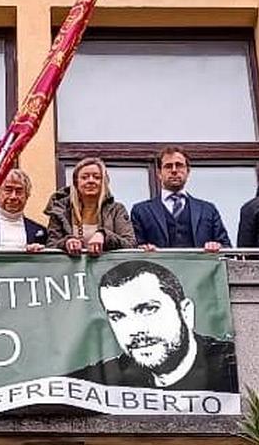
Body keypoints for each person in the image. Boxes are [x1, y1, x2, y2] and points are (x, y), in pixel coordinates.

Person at [71, 260, 238, 392]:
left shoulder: (229, 364)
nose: (135, 330)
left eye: (148, 309)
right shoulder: (114, 373)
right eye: (118, 316)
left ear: (185, 312)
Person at [131, 146, 231, 253]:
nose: (174, 170)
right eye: (168, 166)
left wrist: (216, 246)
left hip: (200, 269)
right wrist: (145, 250)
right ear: (159, 173)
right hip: (159, 269)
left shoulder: (208, 210)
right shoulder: (141, 211)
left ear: (188, 171)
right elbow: (135, 250)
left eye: (179, 165)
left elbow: (227, 248)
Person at [44, 157, 136, 255]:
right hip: (68, 269)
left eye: (97, 177)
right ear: (76, 183)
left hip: (107, 268)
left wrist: (104, 236)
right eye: (84, 177)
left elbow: (130, 244)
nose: (91, 181)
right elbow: (51, 245)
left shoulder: (116, 210)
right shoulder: (60, 210)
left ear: (104, 182)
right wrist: (66, 242)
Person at [0, 168, 48, 251]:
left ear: (27, 195)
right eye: (8, 190)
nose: (13, 196)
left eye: (19, 191)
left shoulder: (40, 231)